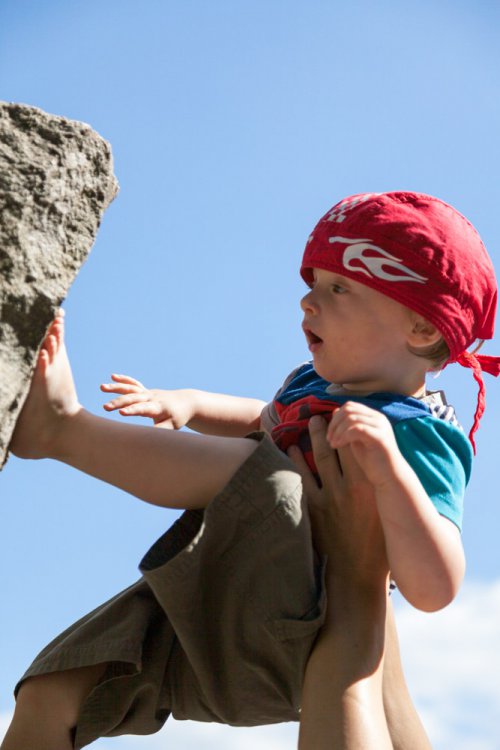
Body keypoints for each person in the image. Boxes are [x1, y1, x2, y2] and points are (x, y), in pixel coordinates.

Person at [4, 191, 498, 748]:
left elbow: (436, 587)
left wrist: (392, 475)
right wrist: (191, 403)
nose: (308, 302)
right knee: (53, 689)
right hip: (218, 585)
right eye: (313, 283)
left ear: (422, 329)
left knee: (262, 475)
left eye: (339, 289)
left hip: (306, 624)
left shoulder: (418, 433)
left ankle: (61, 430)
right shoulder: (312, 384)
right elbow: (264, 419)